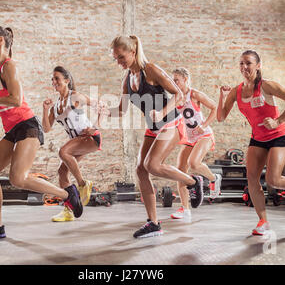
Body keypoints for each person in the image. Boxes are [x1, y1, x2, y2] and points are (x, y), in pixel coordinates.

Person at [0, 26, 82, 240]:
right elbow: (3, 105)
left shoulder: (8, 67)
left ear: (1, 40)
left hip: (27, 126)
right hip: (12, 129)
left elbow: (16, 100)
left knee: (17, 178)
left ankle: (68, 194)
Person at [101, 35, 203, 238]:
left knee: (153, 165)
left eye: (121, 57)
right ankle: (153, 223)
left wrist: (162, 112)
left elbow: (178, 95)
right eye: (116, 58)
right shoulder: (128, 80)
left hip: (171, 122)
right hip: (154, 127)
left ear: (132, 52)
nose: (119, 62)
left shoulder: (151, 70)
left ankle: (193, 181)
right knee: (141, 169)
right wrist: (105, 111)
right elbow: (120, 110)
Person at [217, 50, 285, 236]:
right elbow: (220, 117)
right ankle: (263, 221)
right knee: (252, 178)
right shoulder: (236, 91)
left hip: (278, 136)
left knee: (273, 179)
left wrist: (278, 120)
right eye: (241, 63)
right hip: (258, 138)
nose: (244, 67)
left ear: (258, 65)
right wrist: (222, 96)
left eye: (249, 63)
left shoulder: (267, 85)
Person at [42, 66, 102, 222]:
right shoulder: (55, 107)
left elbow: (100, 106)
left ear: (67, 81)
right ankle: (68, 210)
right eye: (52, 79)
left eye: (57, 78)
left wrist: (95, 127)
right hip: (77, 142)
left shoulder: (75, 97)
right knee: (62, 173)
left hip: (90, 138)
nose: (54, 82)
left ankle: (83, 184)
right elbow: (46, 129)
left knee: (63, 152)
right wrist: (45, 109)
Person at [170, 67, 222, 223]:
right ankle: (185, 210)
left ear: (185, 79)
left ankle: (214, 179)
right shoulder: (175, 98)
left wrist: (205, 124)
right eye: (172, 80)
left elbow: (215, 108)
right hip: (189, 138)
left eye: (176, 79)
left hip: (204, 135)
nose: (174, 82)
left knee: (194, 163)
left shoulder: (195, 95)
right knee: (180, 171)